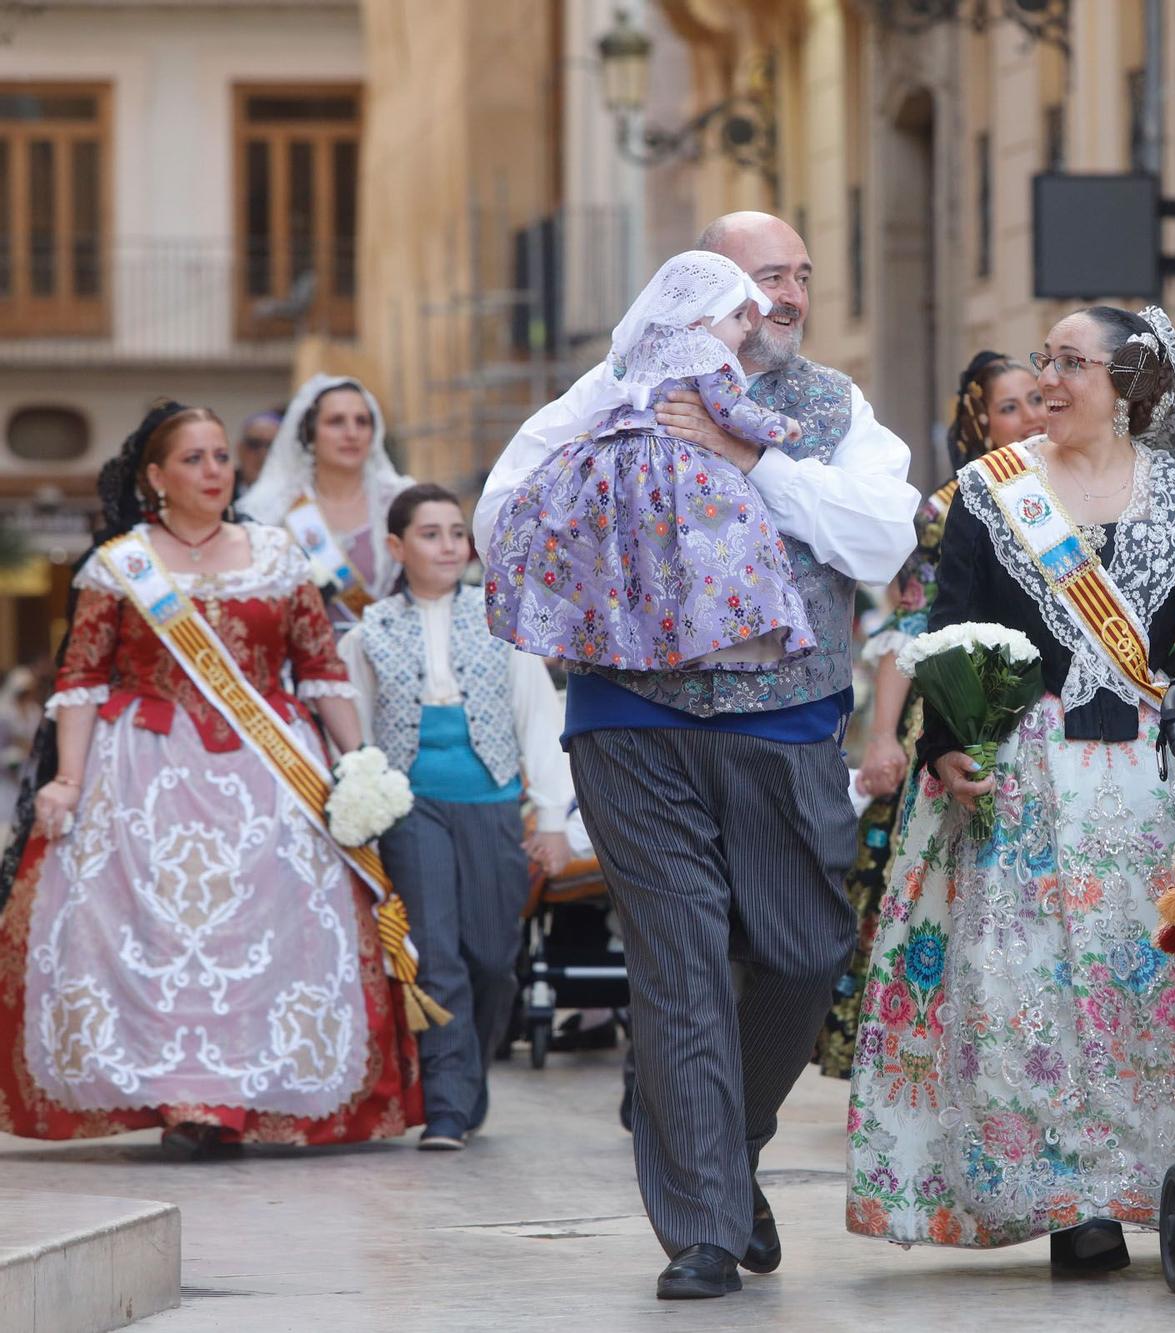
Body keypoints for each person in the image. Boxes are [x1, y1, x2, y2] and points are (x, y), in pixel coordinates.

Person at [476, 211, 918, 1301]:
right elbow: (498, 517)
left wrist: (745, 459)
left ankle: (732, 1141)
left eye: (801, 276)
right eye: (765, 276)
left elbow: (879, 539)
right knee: (675, 968)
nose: (787, 297)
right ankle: (702, 1229)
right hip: (629, 722)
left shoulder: (830, 405)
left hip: (784, 720)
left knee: (805, 949)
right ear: (706, 283)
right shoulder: (605, 390)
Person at [845, 304, 1175, 1267]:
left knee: (1152, 985)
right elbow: (950, 622)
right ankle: (1075, 1201)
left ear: (1130, 386)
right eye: (1043, 361)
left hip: (1152, 781)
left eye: (1072, 364)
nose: (1049, 380)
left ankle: (1165, 1179)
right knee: (1031, 991)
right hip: (1021, 784)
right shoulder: (989, 489)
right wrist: (939, 742)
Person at [0, 401, 422, 1154]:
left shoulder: (277, 555)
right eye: (194, 459)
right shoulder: (120, 563)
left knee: (266, 928)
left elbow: (321, 667)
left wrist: (356, 763)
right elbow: (82, 678)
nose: (213, 471)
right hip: (143, 772)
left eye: (222, 456)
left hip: (266, 772)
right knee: (159, 934)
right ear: (156, 476)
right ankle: (182, 1097)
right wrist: (66, 779)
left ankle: (247, 1091)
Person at [819, 350, 1044, 1080]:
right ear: (978, 420)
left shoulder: (1068, 493)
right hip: (952, 713)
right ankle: (926, 1049)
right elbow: (906, 633)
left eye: (1035, 401)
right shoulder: (948, 507)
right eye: (1008, 407)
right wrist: (884, 736)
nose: (1028, 418)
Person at [338, 483, 575, 1150]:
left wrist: (550, 816)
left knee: (492, 957)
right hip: (411, 809)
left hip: (493, 804)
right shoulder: (369, 632)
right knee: (435, 953)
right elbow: (352, 727)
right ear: (396, 546)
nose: (448, 545)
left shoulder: (504, 620)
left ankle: (470, 1074)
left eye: (456, 532)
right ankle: (445, 1104)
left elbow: (538, 717)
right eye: (430, 533)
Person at [485, 251, 814, 672]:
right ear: (700, 320)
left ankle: (613, 635)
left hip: (611, 461)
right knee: (720, 533)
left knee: (618, 554)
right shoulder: (706, 355)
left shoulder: (643, 345)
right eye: (737, 316)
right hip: (675, 463)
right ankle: (713, 631)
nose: (748, 326)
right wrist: (777, 426)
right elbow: (730, 409)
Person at [240, 375, 414, 629]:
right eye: (336, 422)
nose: (352, 433)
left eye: (362, 421)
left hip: (390, 658)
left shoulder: (402, 502)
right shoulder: (273, 508)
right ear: (309, 432)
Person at [234, 407, 282, 495]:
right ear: (240, 449)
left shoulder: (296, 497)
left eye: (271, 446)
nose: (262, 453)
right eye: (254, 444)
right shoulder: (222, 490)